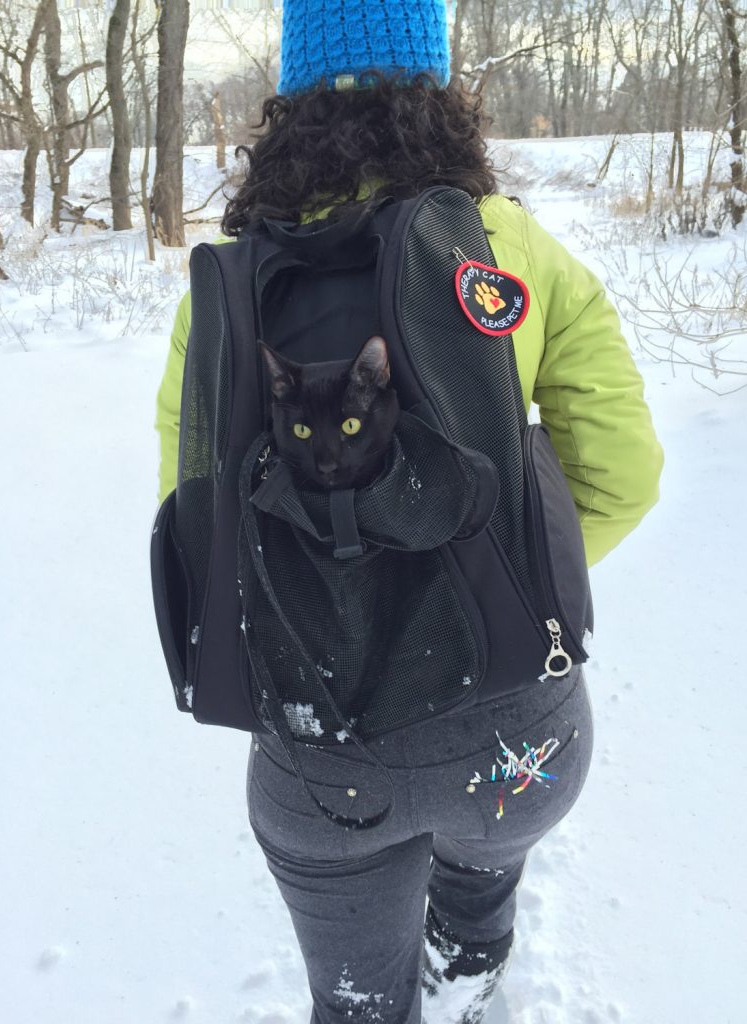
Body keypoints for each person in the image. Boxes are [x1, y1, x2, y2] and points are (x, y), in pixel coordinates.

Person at [154, 2, 664, 1021]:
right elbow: (624, 471)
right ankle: (468, 958)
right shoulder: (511, 247)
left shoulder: (226, 287)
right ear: (438, 92)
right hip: (516, 730)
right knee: (484, 870)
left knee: (356, 1002)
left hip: (323, 751)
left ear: (288, 106)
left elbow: (197, 520)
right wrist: (509, 572)